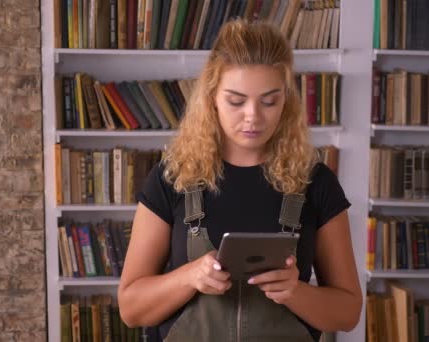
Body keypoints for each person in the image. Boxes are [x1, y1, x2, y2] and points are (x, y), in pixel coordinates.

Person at [118, 19, 362, 342]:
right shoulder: (171, 178)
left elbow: (348, 312)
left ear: (286, 100)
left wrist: (294, 292)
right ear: (212, 98)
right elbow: (131, 308)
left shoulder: (316, 183)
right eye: (236, 101)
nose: (252, 116)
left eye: (269, 101)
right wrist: (190, 277)